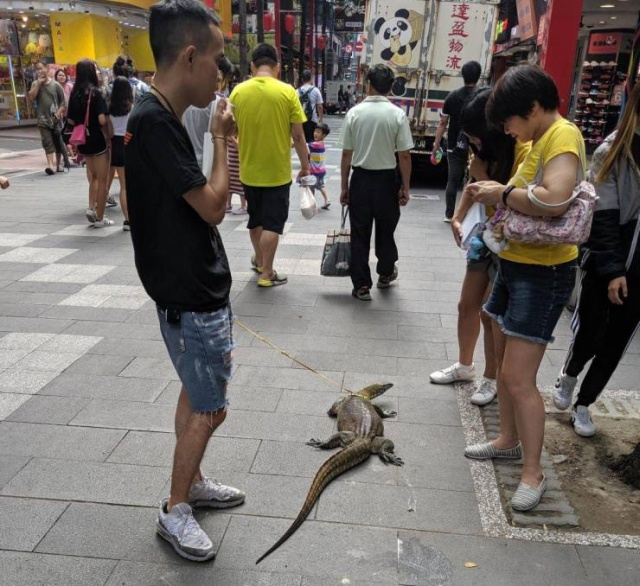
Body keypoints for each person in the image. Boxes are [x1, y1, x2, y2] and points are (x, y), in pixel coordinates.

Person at [125, 0, 245, 563]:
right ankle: (176, 509)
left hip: (188, 291)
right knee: (209, 408)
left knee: (196, 394)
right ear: (190, 55)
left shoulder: (155, 116)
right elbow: (216, 206)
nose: (221, 73)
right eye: (217, 59)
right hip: (190, 296)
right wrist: (223, 138)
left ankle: (191, 482)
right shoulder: (155, 121)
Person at [463, 65, 585, 512]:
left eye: (510, 121)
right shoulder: (537, 138)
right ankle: (507, 439)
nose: (507, 132)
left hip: (542, 273)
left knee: (517, 378)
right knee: (498, 350)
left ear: (532, 108)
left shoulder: (563, 136)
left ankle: (532, 473)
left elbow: (555, 198)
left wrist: (501, 193)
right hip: (516, 264)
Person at [430, 87, 530, 406]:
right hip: (485, 234)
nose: (472, 143)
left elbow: (513, 203)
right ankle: (464, 366)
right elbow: (473, 187)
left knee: (490, 314)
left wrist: (484, 174)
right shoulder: (484, 149)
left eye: (475, 137)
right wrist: (458, 218)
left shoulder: (522, 151)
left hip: (510, 240)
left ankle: (491, 378)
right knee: (466, 304)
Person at [553, 83, 640, 438]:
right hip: (611, 258)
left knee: (617, 340)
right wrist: (613, 270)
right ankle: (570, 374)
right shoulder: (614, 149)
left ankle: (585, 403)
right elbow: (601, 215)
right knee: (591, 331)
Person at [230, 43, 310, 287]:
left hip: (249, 171)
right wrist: (305, 166)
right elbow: (298, 136)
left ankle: (261, 261)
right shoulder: (288, 92)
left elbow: (230, 129)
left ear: (253, 66)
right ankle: (267, 273)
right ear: (277, 68)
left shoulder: (238, 92)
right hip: (277, 174)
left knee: (256, 220)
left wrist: (240, 143)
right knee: (273, 223)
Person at [338, 64, 413, 301]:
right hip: (386, 182)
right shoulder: (397, 115)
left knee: (359, 234)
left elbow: (346, 154)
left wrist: (344, 186)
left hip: (360, 180)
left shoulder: (354, 113)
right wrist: (405, 187)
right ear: (391, 87)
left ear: (368, 84)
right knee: (386, 231)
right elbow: (403, 155)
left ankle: (361, 285)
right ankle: (385, 272)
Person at [433, 60, 482, 222]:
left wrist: (436, 143)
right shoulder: (482, 95)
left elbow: (442, 123)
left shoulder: (452, 96)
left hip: (454, 145)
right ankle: (467, 215)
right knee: (472, 179)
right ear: (479, 75)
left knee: (452, 179)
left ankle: (449, 214)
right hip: (476, 147)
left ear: (463, 75)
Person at [67, 59, 112, 227]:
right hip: (98, 139)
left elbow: (70, 120)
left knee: (92, 177)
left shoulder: (75, 93)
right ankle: (100, 218)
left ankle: (90, 207)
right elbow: (101, 120)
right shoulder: (97, 92)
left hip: (83, 140)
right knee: (102, 180)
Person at [27, 61, 67, 175]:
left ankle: (58, 163)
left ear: (47, 68)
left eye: (41, 68)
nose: (39, 71)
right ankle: (50, 165)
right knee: (47, 141)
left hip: (56, 119)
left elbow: (63, 103)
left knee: (57, 141)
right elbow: (31, 98)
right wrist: (38, 84)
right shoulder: (35, 84)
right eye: (37, 70)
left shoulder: (56, 85)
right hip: (42, 119)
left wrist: (58, 113)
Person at [108, 76, 133, 231]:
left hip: (114, 145)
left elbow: (109, 131)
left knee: (119, 184)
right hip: (128, 144)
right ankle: (129, 219)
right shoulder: (131, 107)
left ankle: (127, 219)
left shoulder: (109, 108)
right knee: (127, 185)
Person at [308, 122, 331, 210]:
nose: (315, 133)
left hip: (314, 170)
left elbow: (306, 146)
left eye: (318, 132)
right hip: (321, 170)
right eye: (315, 131)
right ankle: (327, 199)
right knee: (320, 185)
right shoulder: (321, 143)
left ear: (324, 135)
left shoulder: (315, 144)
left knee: (311, 186)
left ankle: (312, 203)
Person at [298, 70, 323, 143]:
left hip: (300, 120)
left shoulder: (296, 91)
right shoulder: (316, 90)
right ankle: (310, 154)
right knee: (312, 142)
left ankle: (303, 154)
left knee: (302, 141)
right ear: (311, 78)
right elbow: (320, 106)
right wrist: (320, 119)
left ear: (302, 79)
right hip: (312, 119)